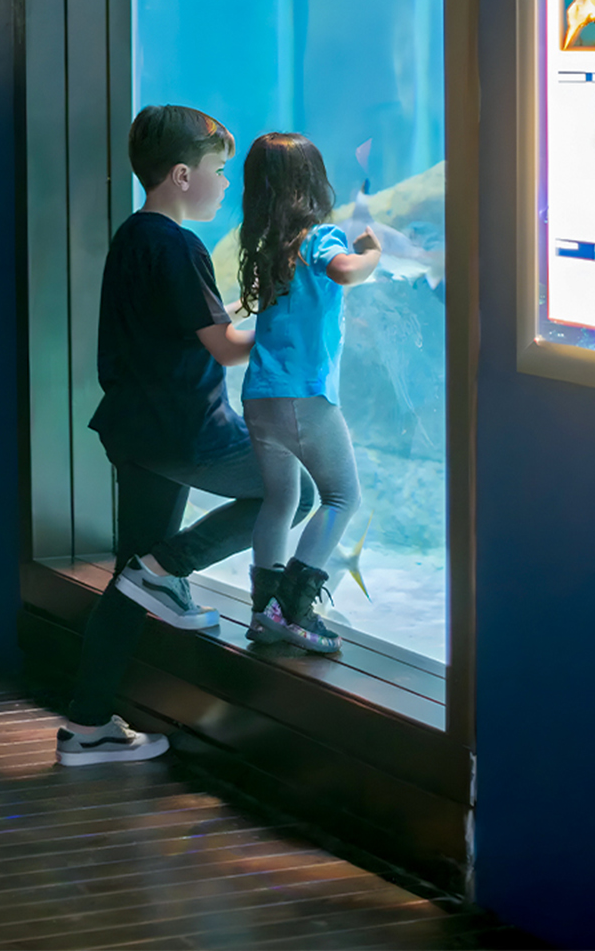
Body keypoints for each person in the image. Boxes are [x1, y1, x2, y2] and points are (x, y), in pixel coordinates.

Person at [55, 105, 313, 767]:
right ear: (180, 175)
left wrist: (245, 313)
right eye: (218, 170)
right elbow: (225, 347)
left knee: (128, 579)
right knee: (297, 492)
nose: (225, 183)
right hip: (186, 431)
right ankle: (170, 568)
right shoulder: (179, 246)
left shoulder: (134, 236)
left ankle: (86, 725)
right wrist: (286, 321)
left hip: (136, 430)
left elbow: (185, 329)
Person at [237, 133, 381, 655]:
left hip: (261, 395)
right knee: (343, 496)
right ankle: (292, 609)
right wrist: (372, 253)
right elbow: (345, 271)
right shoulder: (318, 238)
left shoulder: (264, 249)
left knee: (281, 500)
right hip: (304, 398)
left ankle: (262, 612)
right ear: (314, 184)